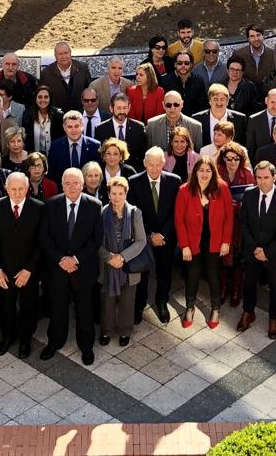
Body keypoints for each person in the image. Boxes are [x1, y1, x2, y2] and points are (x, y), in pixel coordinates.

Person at [40, 169, 102, 366]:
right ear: (62, 184)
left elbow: (96, 239)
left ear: (82, 185)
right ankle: (55, 342)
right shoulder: (51, 205)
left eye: (76, 183)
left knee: (85, 311)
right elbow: (45, 237)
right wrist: (61, 259)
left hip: (82, 269)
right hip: (57, 269)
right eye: (68, 183)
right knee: (57, 309)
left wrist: (75, 259)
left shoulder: (94, 206)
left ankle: (86, 347)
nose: (72, 187)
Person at [173, 157, 233, 329]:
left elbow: (229, 218)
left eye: (208, 170)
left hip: (215, 242)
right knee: (193, 275)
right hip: (193, 242)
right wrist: (184, 245)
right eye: (201, 170)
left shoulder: (222, 188)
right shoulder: (184, 190)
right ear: (195, 172)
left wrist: (226, 242)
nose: (204, 174)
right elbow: (179, 221)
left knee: (213, 276)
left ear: (213, 172)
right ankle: (190, 307)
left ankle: (215, 309)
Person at [0, 172, 44, 358]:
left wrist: (29, 269)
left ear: (27, 189)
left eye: (21, 188)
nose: (17, 192)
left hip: (29, 270)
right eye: (13, 188)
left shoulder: (38, 208)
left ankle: (25, 340)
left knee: (29, 306)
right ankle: (7, 337)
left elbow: (41, 242)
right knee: (6, 306)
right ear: (6, 188)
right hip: (4, 270)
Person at [237, 162, 276, 340]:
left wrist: (266, 252)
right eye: (259, 178)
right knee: (249, 284)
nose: (262, 182)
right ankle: (248, 312)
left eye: (266, 178)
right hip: (252, 252)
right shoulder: (249, 195)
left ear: (274, 177)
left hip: (274, 255)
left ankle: (273, 318)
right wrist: (255, 248)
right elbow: (244, 223)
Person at [128, 148, 183, 324]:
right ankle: (139, 305)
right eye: (150, 164)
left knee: (164, 270)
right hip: (143, 237)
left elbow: (176, 212)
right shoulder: (134, 182)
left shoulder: (174, 181)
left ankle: (161, 302)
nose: (154, 168)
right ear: (145, 164)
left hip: (166, 237)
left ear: (164, 164)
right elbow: (134, 213)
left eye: (158, 164)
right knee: (143, 273)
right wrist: (150, 234)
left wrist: (162, 235)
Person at [98, 176, 147, 347]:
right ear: (109, 194)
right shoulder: (102, 212)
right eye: (113, 193)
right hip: (108, 264)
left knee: (128, 300)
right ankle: (106, 331)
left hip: (128, 264)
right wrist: (109, 258)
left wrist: (122, 257)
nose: (117, 197)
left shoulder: (135, 213)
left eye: (120, 193)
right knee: (107, 301)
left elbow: (141, 241)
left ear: (126, 193)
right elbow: (95, 241)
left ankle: (125, 331)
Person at [216, 142, 254, 307]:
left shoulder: (247, 174)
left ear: (241, 159)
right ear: (223, 159)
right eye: (229, 158)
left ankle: (236, 289)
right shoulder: (217, 172)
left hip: (239, 222)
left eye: (235, 159)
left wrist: (239, 205)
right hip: (220, 221)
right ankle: (223, 288)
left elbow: (253, 198)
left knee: (238, 257)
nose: (232, 162)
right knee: (221, 256)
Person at [96, 93, 148, 171]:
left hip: (133, 174)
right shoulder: (101, 129)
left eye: (125, 108)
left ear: (129, 108)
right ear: (111, 108)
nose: (122, 111)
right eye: (118, 108)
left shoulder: (138, 128)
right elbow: (100, 157)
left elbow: (143, 156)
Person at [41, 42, 95, 113]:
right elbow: (43, 95)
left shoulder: (83, 68)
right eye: (60, 54)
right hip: (57, 116)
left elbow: (89, 90)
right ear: (55, 56)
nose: (63, 56)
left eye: (66, 53)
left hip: (80, 113)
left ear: (70, 53)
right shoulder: (46, 73)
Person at [231, 24, 276, 91]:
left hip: (267, 96)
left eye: (258, 35)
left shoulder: (273, 54)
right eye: (252, 36)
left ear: (263, 36)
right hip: (246, 94)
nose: (256, 39)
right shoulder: (238, 54)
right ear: (248, 39)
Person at [244, 88, 276, 157]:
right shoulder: (254, 120)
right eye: (272, 102)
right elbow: (250, 148)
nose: (275, 106)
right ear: (266, 101)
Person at [162, 51, 208, 116]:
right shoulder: (166, 81)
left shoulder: (198, 80)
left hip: (194, 120)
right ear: (175, 64)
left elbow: (203, 105)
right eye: (179, 63)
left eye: (186, 63)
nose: (183, 66)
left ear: (191, 65)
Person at [22, 85, 63, 155]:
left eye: (46, 97)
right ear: (35, 99)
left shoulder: (58, 115)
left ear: (50, 99)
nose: (43, 100)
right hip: (34, 157)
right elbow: (26, 140)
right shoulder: (27, 115)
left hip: (54, 155)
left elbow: (61, 139)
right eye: (40, 97)